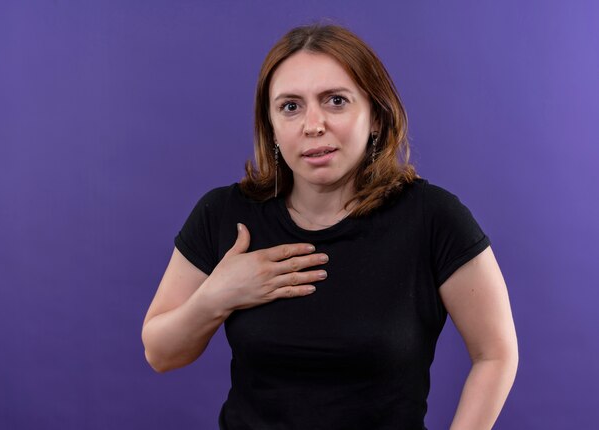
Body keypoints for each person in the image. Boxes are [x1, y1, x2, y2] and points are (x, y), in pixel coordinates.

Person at [141, 23, 518, 430]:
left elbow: (495, 354)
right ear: (270, 127)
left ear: (375, 115)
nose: (312, 124)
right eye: (290, 106)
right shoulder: (224, 214)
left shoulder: (433, 219)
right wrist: (216, 296)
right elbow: (161, 354)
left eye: (336, 101)